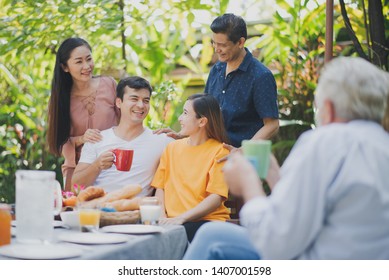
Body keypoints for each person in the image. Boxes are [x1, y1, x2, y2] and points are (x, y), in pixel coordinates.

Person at [184, 57, 389, 260]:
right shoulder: (381, 144)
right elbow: (307, 214)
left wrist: (249, 185)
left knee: (211, 235)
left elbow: (275, 243)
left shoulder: (325, 142)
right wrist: (275, 177)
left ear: (329, 108)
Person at [154, 14, 279, 149]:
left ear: (240, 42)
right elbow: (203, 112)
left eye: (222, 45)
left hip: (242, 161)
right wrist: (182, 134)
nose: (216, 49)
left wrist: (242, 151)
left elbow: (272, 125)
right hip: (211, 154)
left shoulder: (261, 76)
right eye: (214, 43)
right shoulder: (217, 69)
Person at [72, 76, 172, 196]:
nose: (141, 105)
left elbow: (194, 150)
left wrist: (181, 136)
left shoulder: (160, 140)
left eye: (146, 100)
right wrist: (97, 166)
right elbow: (75, 188)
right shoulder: (97, 139)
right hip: (98, 209)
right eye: (134, 99)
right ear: (119, 102)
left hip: (137, 211)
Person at [151, 94, 230, 242]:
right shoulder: (172, 148)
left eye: (186, 113)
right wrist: (162, 217)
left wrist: (181, 218)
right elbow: (160, 188)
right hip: (174, 223)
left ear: (202, 121)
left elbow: (216, 197)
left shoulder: (220, 151)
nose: (180, 118)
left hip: (207, 223)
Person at [47, 37, 119, 191]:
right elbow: (58, 143)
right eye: (79, 62)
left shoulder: (109, 84)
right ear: (65, 67)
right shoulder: (61, 99)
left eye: (89, 59)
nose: (86, 66)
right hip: (79, 169)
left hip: (112, 162)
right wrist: (81, 139)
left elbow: (126, 121)